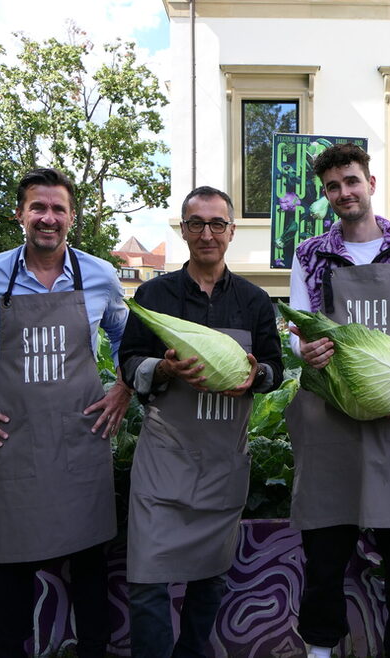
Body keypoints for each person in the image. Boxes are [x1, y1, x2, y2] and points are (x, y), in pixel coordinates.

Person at [0, 167, 132, 658]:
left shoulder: (100, 275)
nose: (48, 217)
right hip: (13, 442)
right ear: (20, 214)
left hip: (82, 437)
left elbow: (130, 340)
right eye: (38, 207)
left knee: (89, 563)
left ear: (72, 217)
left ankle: (94, 651)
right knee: (14, 566)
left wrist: (123, 387)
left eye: (58, 208)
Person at [285, 143, 390, 658]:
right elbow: (297, 327)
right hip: (332, 415)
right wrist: (305, 349)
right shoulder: (310, 254)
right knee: (325, 547)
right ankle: (318, 648)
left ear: (371, 183)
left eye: (351, 181)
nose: (343, 193)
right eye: (333, 186)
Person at [119, 185, 284, 657]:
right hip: (164, 459)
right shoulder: (155, 293)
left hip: (222, 459)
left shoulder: (254, 301)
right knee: (147, 582)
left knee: (208, 581)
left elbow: (275, 369)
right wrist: (164, 369)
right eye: (196, 224)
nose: (206, 233)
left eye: (216, 224)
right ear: (183, 230)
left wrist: (257, 376)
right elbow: (128, 361)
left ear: (231, 231)